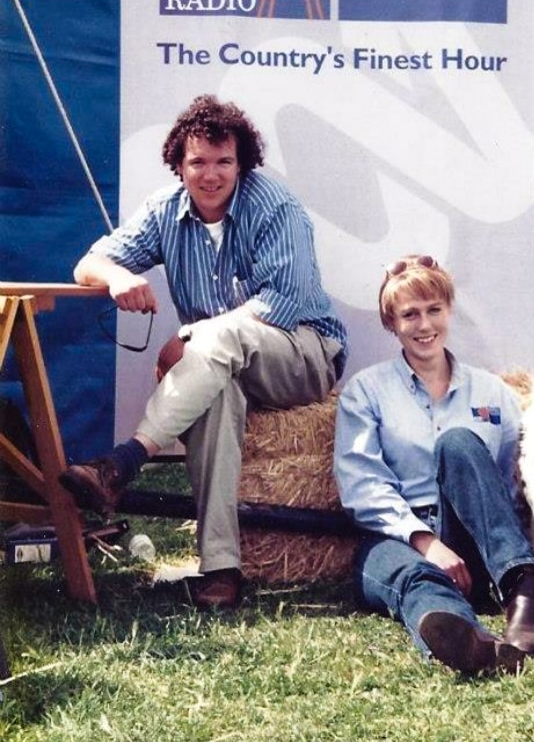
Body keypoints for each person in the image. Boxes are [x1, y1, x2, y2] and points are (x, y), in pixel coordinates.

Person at [60, 95, 347, 608]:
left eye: (223, 162)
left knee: (217, 339)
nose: (210, 175)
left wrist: (188, 336)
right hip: (223, 360)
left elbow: (280, 303)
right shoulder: (165, 210)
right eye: (197, 162)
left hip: (303, 353)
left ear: (242, 163)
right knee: (215, 395)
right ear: (179, 164)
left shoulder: (274, 206)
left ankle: (125, 460)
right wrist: (120, 275)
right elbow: (89, 263)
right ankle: (221, 570)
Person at [333, 255, 534, 676]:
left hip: (479, 540)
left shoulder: (493, 391)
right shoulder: (366, 391)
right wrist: (426, 542)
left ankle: (524, 591)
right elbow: (362, 485)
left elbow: (515, 478)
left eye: (434, 310)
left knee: (457, 442)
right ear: (392, 323)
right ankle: (471, 642)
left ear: (450, 311)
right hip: (398, 537)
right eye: (409, 314)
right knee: (411, 577)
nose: (424, 325)